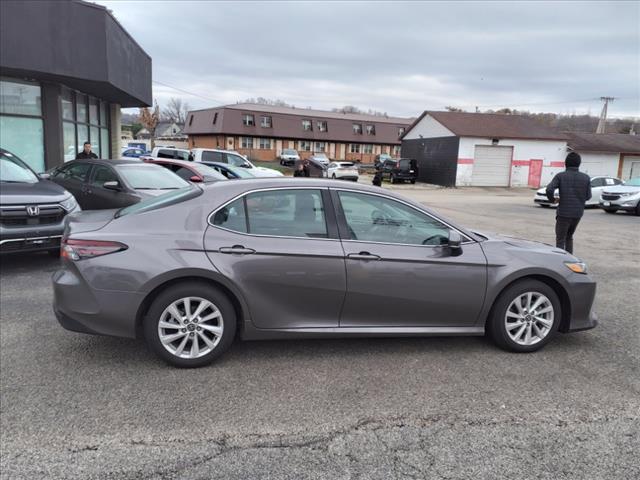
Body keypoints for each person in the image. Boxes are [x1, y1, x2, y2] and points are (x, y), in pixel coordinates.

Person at [545, 152, 591, 254]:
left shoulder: (560, 176)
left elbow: (549, 189)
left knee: (560, 239)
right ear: (579, 163)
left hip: (563, 213)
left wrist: (553, 200)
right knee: (569, 237)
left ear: (566, 163)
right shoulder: (586, 178)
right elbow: (588, 196)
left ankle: (561, 261)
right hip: (577, 214)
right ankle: (570, 260)